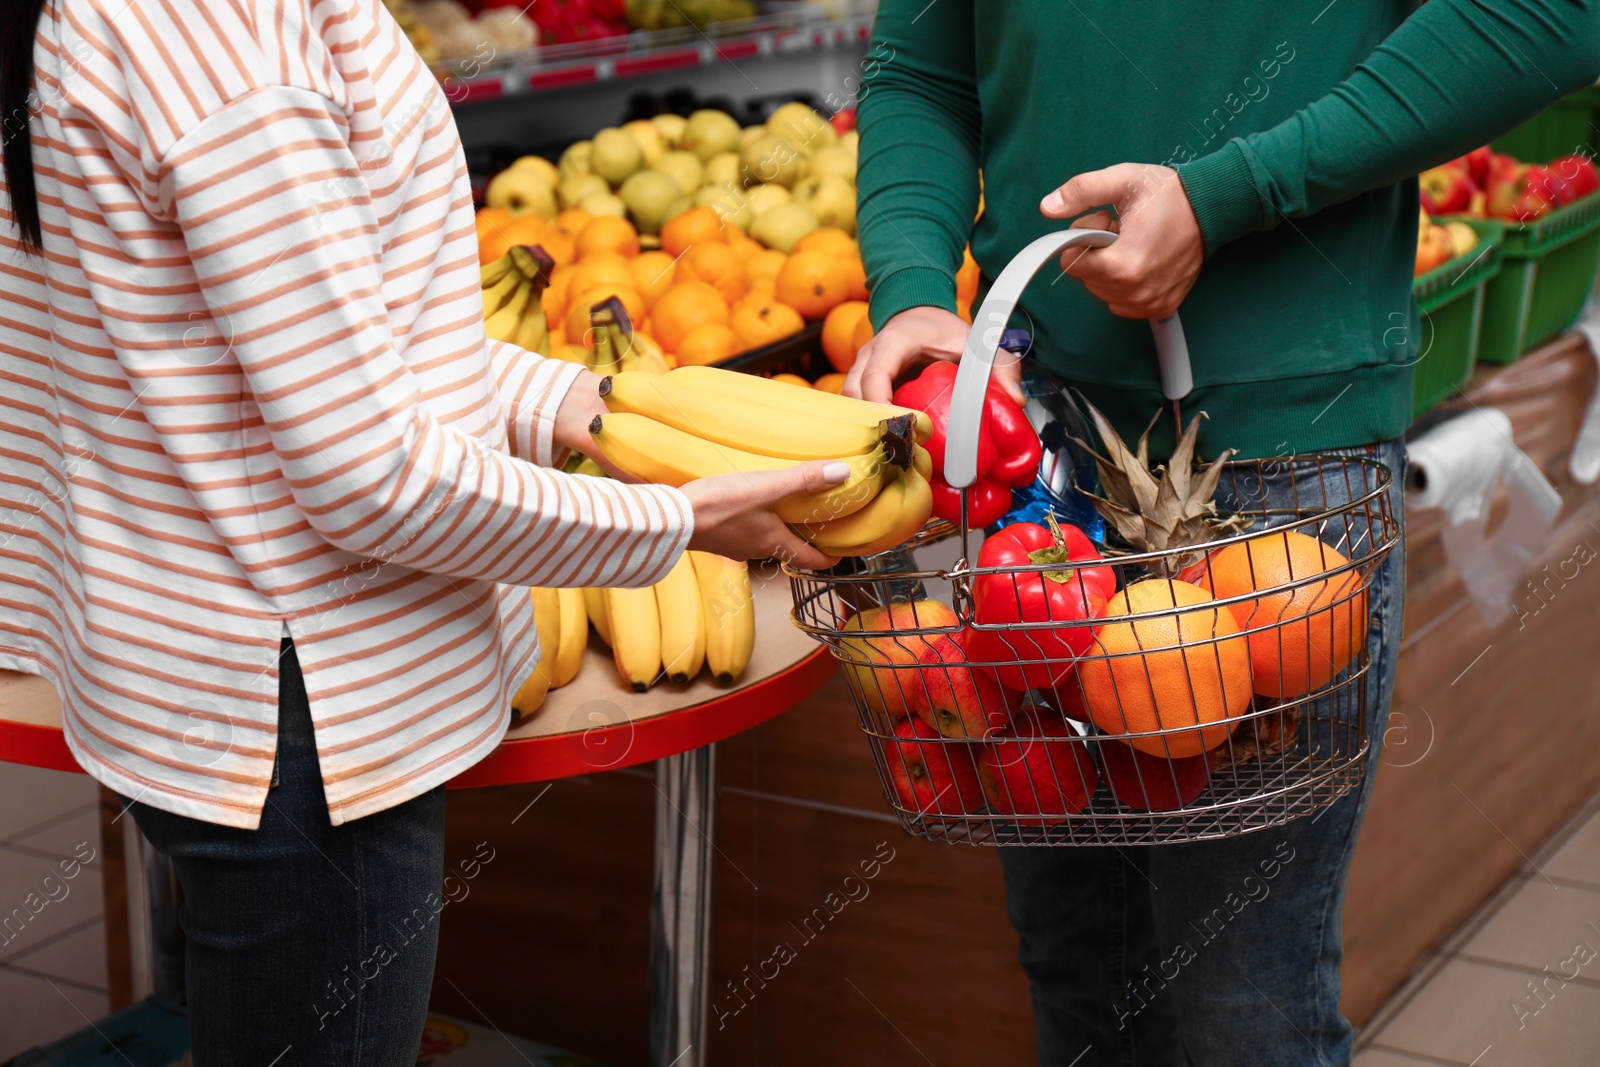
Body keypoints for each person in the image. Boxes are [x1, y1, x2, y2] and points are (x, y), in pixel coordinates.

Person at [0, 0, 845, 1062]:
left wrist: (594, 409)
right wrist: (679, 518)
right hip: (297, 721)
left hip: (223, 686)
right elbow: (367, 472)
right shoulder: (222, 29)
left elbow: (323, 354)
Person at [848, 2, 1598, 1065]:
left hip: (1275, 472)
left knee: (1241, 1007)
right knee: (1077, 970)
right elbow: (921, 67)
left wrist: (1226, 194)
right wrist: (914, 289)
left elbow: (1548, 16)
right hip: (1035, 468)